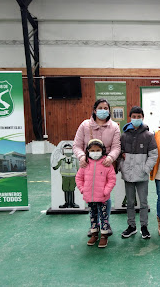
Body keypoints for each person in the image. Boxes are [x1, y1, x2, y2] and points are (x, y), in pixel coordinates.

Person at [73, 98, 121, 236]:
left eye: (106, 108)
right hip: (88, 165)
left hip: (105, 166)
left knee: (105, 194)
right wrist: (82, 157)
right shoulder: (85, 125)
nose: (103, 111)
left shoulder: (114, 127)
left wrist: (111, 158)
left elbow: (116, 146)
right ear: (94, 110)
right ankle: (94, 225)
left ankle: (106, 223)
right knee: (92, 196)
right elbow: (77, 145)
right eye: (100, 108)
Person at [118, 106, 158, 239]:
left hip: (142, 176)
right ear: (130, 118)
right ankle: (131, 226)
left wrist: (145, 169)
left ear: (143, 118)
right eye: (134, 117)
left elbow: (153, 155)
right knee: (130, 202)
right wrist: (122, 166)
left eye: (138, 117)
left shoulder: (149, 136)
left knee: (143, 202)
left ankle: (144, 227)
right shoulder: (124, 136)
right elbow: (119, 153)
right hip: (128, 175)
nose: (136, 119)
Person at [75, 139, 117, 248]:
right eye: (92, 150)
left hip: (103, 198)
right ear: (88, 151)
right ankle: (94, 234)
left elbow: (111, 180)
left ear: (102, 150)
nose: (95, 152)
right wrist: (83, 189)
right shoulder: (85, 164)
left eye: (98, 150)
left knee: (104, 216)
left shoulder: (106, 164)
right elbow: (79, 178)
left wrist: (105, 191)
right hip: (90, 197)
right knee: (93, 216)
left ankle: (104, 236)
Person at [52, 143, 79, 208]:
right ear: (63, 151)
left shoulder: (75, 160)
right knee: (66, 190)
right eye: (66, 149)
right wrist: (55, 159)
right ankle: (67, 203)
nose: (68, 151)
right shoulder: (62, 161)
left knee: (72, 189)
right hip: (64, 177)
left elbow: (79, 169)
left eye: (69, 149)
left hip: (73, 177)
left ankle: (72, 203)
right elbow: (55, 167)